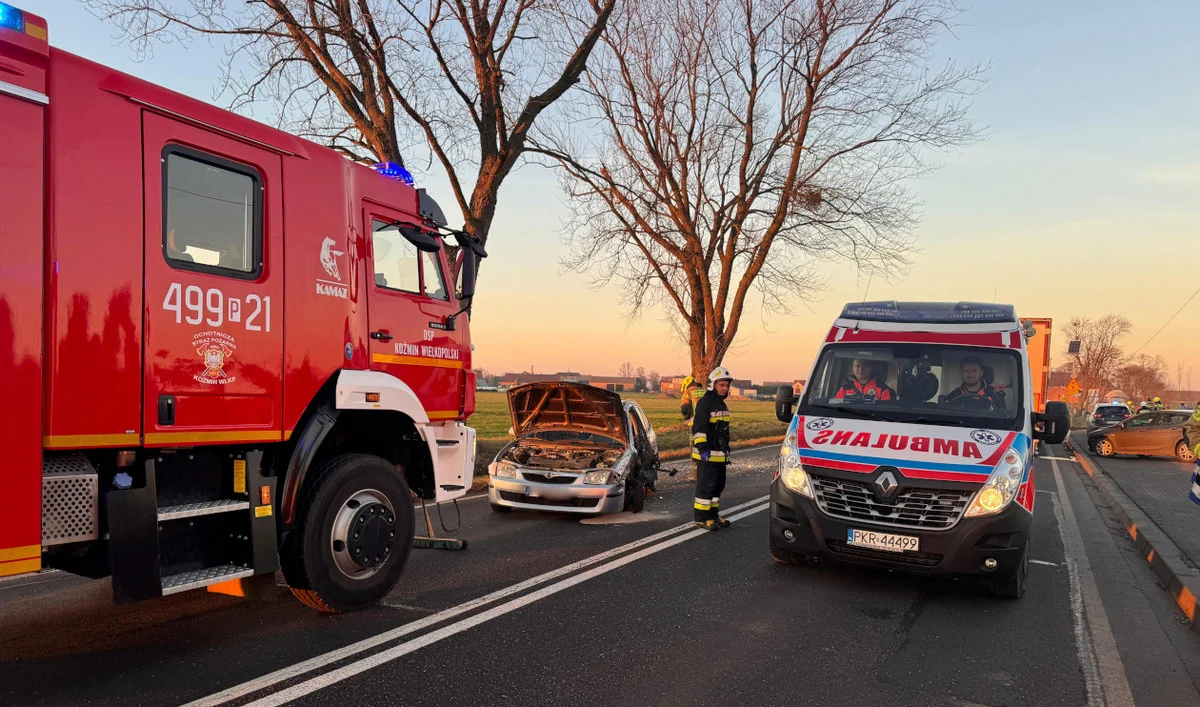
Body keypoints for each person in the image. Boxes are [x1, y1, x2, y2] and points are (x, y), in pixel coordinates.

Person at [692, 366, 734, 531]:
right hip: (707, 455)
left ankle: (713, 516)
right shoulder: (706, 403)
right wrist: (703, 449)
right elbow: (699, 429)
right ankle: (701, 519)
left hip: (719, 456)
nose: (725, 388)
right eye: (722, 385)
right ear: (713, 385)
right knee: (706, 487)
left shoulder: (721, 404)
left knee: (718, 486)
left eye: (726, 385)